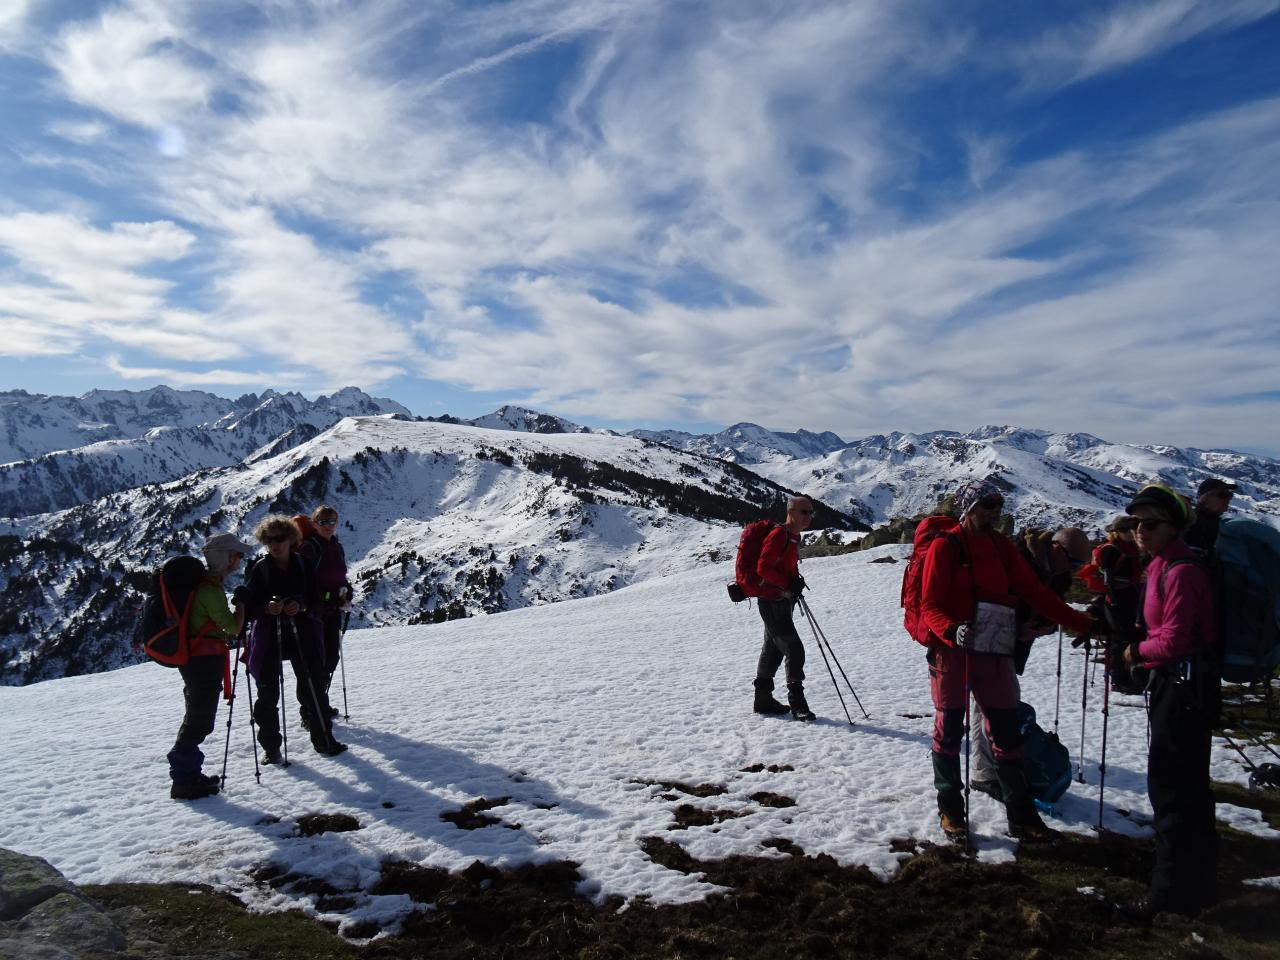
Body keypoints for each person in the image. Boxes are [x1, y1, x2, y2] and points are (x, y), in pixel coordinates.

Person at [920, 480, 1096, 843]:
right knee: (949, 731)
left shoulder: (1001, 547)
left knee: (1006, 731)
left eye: (998, 506)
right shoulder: (945, 546)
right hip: (953, 651)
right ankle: (951, 811)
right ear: (969, 508)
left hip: (994, 650)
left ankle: (1022, 817)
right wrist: (951, 631)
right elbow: (929, 605)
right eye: (987, 506)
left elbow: (1034, 591)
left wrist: (1082, 623)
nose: (995, 513)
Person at [1122, 484, 1219, 918]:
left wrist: (1133, 653)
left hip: (1181, 688)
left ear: (1172, 526)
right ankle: (1199, 884)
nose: (1139, 531)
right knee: (1190, 787)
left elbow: (1175, 640)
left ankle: (1168, 895)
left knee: (1171, 787)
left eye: (1150, 523)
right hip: (1183, 686)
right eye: (1134, 523)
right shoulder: (1162, 565)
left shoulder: (1180, 571)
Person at [969, 525, 1092, 798]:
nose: (1073, 570)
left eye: (1079, 565)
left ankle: (992, 767)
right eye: (1073, 562)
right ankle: (984, 773)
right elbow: (993, 600)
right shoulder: (1017, 557)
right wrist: (1019, 629)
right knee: (989, 704)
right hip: (991, 640)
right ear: (1056, 547)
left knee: (996, 703)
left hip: (1014, 645)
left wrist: (1046, 626)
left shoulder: (1057, 573)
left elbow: (1051, 604)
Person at [245, 515, 347, 760]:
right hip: (273, 635)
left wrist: (300, 606)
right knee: (268, 694)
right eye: (269, 540)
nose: (274, 544)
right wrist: (267, 609)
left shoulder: (303, 564)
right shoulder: (260, 569)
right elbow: (250, 606)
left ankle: (324, 739)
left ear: (291, 539)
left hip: (300, 632)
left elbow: (315, 598)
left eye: (279, 539)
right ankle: (272, 749)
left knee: (314, 687)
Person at [167, 532, 254, 800]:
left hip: (197, 661)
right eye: (237, 554)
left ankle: (190, 774)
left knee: (197, 715)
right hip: (203, 662)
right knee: (199, 720)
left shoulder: (203, 586)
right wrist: (241, 602)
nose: (240, 559)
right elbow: (233, 628)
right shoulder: (210, 590)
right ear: (226, 557)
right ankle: (183, 780)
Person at [752, 496, 815, 721]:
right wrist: (788, 584)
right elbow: (763, 567)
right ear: (791, 512)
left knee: (773, 649)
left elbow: (782, 566)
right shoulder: (780, 535)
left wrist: (793, 581)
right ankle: (797, 702)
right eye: (804, 512)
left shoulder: (793, 536)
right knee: (794, 648)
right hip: (772, 601)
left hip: (781, 600)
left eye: (810, 512)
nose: (808, 517)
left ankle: (763, 699)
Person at [296, 504, 353, 713]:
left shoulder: (336, 546)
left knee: (329, 658)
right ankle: (310, 708)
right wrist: (330, 597)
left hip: (331, 611)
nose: (328, 526)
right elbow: (305, 584)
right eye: (323, 522)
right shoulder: (309, 548)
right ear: (314, 523)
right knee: (315, 663)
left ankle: (319, 702)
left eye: (332, 521)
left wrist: (347, 592)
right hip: (313, 614)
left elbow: (340, 576)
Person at [1083, 516, 1144, 693]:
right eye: (1126, 530)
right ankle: (1120, 679)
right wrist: (1113, 599)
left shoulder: (1128, 548)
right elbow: (1108, 579)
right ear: (1116, 532)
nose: (1131, 533)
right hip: (1117, 600)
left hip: (1127, 597)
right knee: (1120, 638)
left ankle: (1127, 676)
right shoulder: (1112, 550)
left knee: (1128, 636)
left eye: (1132, 529)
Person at [1184, 478, 1236, 561]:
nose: (1228, 498)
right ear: (1205, 498)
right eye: (1222, 494)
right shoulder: (1192, 523)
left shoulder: (1215, 523)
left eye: (1229, 494)